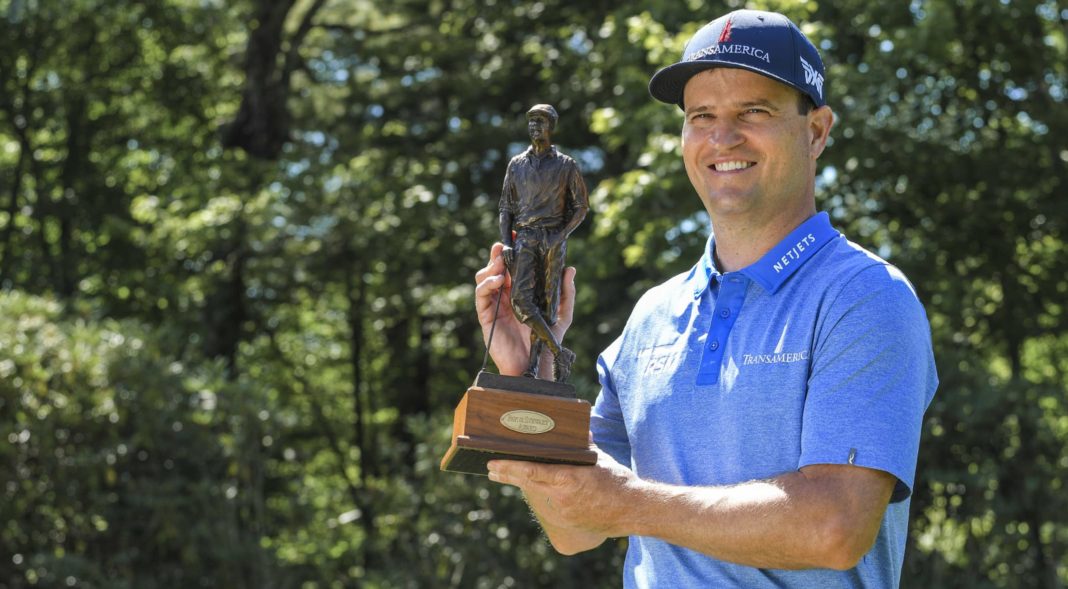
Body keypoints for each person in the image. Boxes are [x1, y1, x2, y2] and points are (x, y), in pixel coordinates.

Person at [475, 9, 938, 589]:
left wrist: (628, 503)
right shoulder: (652, 315)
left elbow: (835, 527)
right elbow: (576, 530)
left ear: (816, 131)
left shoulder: (864, 297)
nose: (723, 137)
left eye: (754, 112)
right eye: (702, 116)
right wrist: (534, 375)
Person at [497, 104, 589, 382]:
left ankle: (533, 368)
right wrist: (506, 244)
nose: (535, 126)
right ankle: (560, 353)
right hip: (524, 237)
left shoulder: (566, 165)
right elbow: (506, 207)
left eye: (541, 121)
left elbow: (581, 206)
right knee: (522, 301)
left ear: (552, 126)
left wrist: (560, 236)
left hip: (552, 238)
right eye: (531, 121)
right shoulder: (516, 165)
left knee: (547, 305)